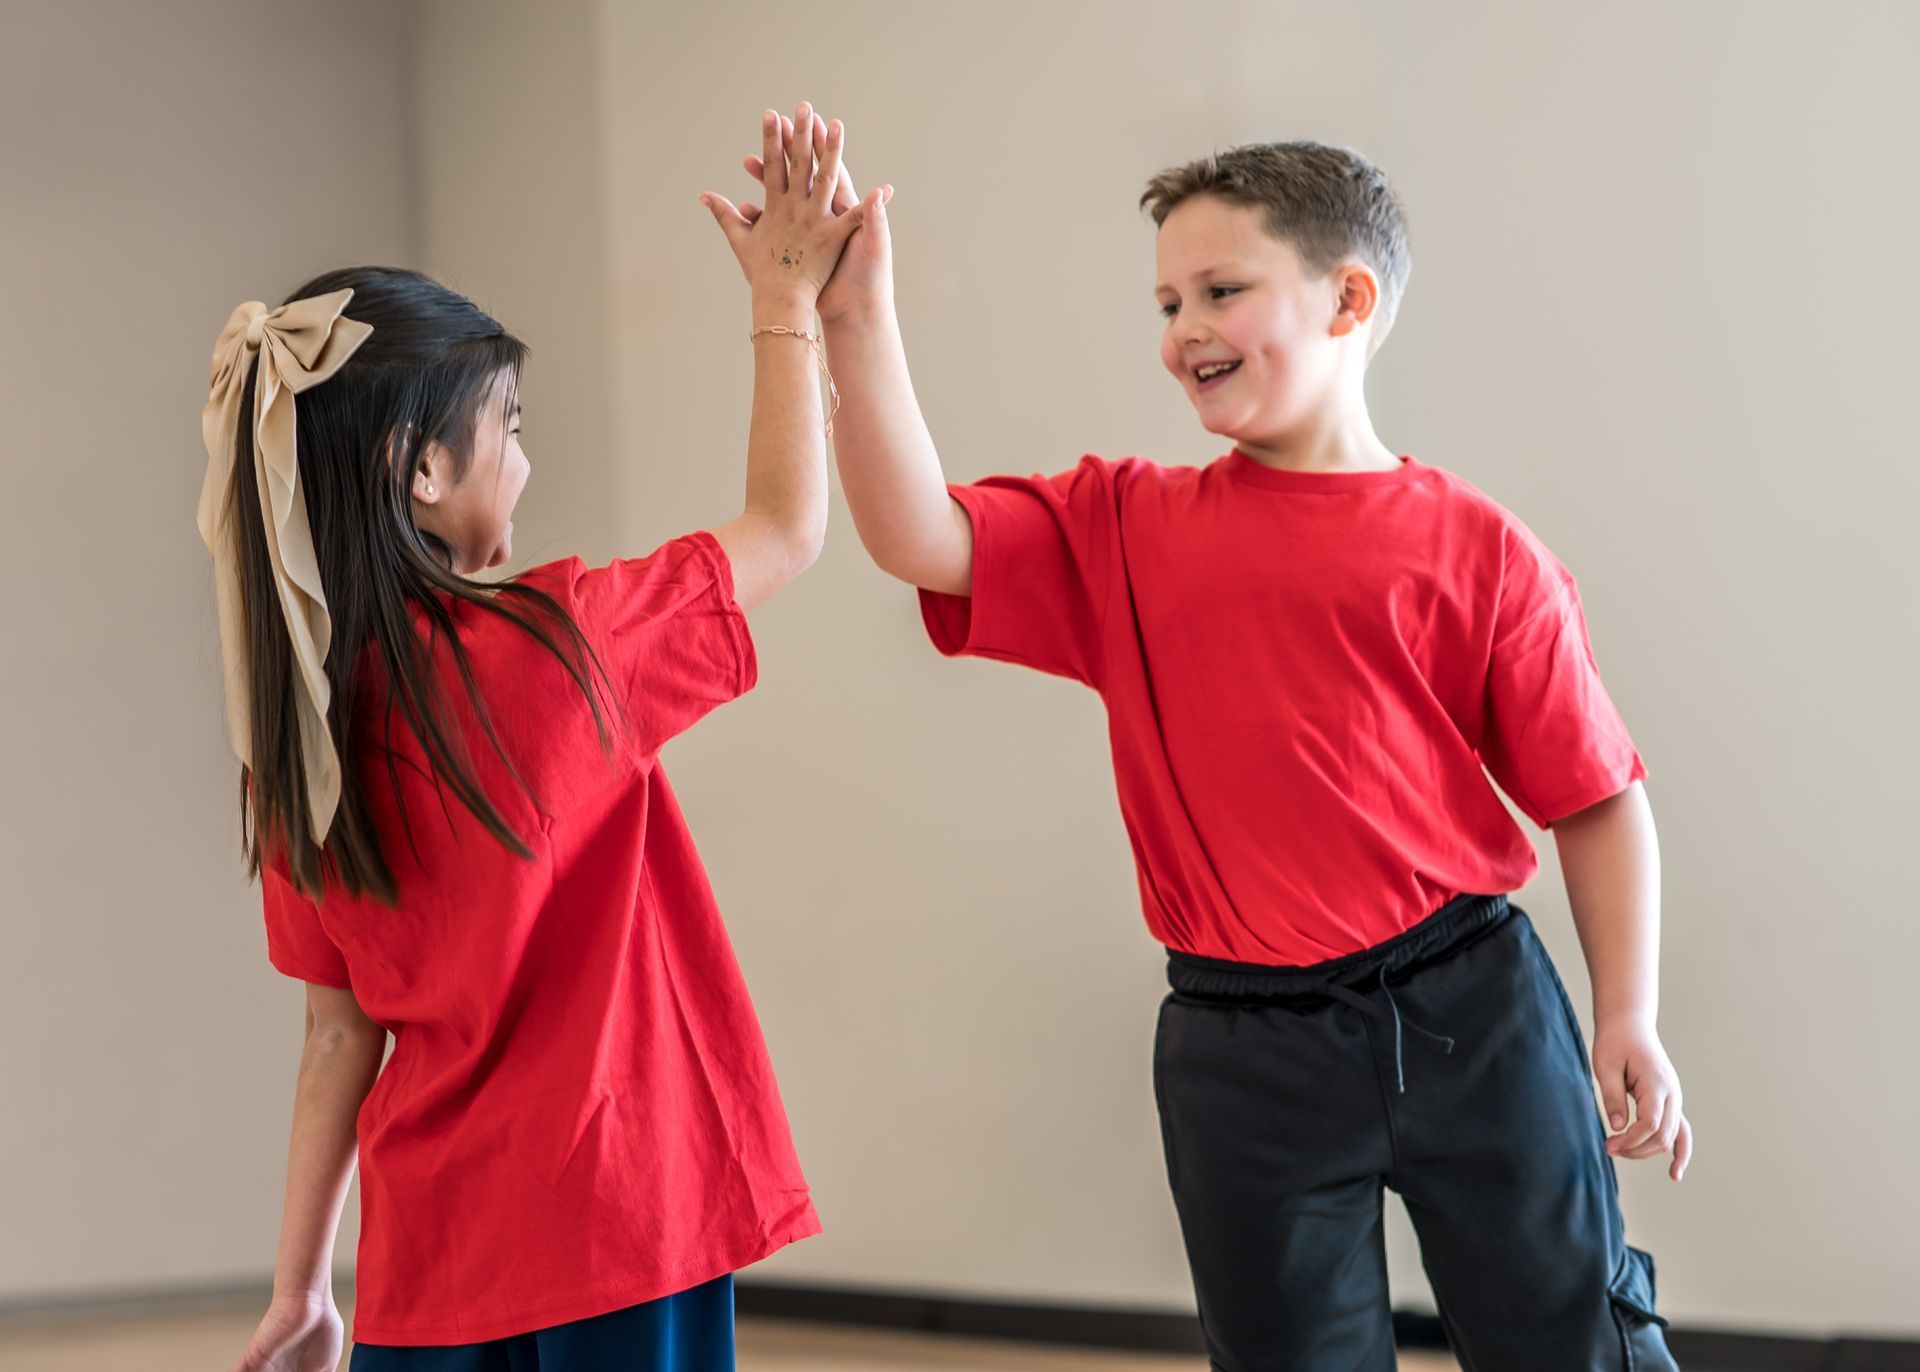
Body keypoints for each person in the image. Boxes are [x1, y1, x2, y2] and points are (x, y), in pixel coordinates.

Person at [755, 130, 1690, 1370]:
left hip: (1472, 1009)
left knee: (1573, 1342)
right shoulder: (1129, 525)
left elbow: (1597, 796)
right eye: (1167, 301)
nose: (1183, 326)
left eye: (1221, 291)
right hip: (1241, 1048)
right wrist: (855, 315)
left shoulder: (1478, 547)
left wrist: (1628, 1013)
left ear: (1348, 300)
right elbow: (920, 534)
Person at [206, 102, 860, 1372]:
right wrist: (788, 301)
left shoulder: (290, 742)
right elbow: (787, 523)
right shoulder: (570, 642)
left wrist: (300, 1288)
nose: (521, 456)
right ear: (420, 468)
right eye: (505, 425)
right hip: (627, 1220)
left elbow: (338, 1037)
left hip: (426, 1265)